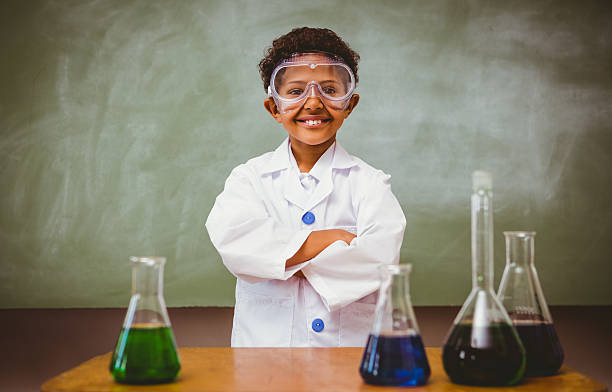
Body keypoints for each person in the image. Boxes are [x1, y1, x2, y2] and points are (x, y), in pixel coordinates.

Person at [206, 27, 406, 347]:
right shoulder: (249, 179)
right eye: (296, 91)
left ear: (349, 104)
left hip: (349, 357)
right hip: (262, 359)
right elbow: (237, 245)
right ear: (274, 108)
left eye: (329, 89)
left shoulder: (371, 184)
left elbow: (379, 262)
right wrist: (332, 240)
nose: (313, 102)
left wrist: (280, 260)